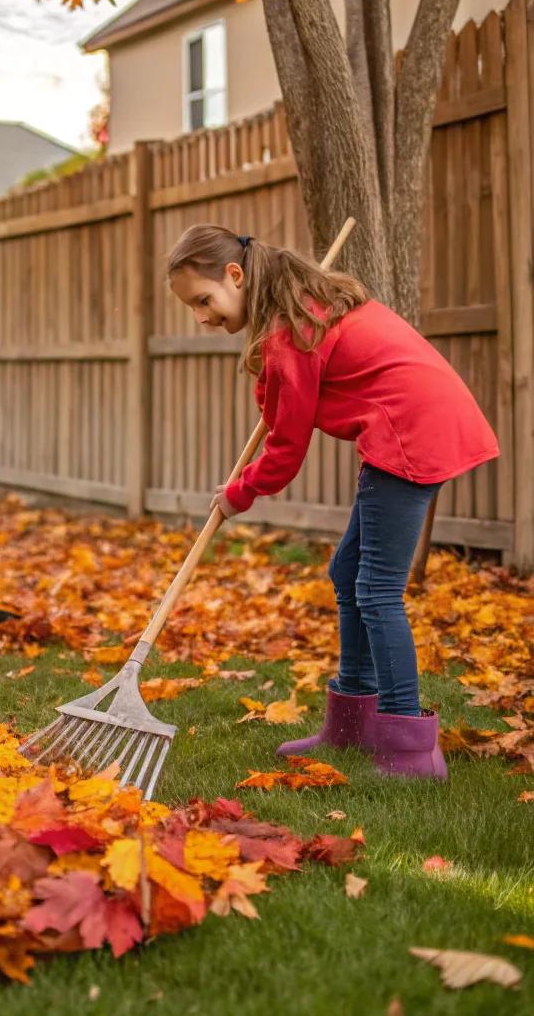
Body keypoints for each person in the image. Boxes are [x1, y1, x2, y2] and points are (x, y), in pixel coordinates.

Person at [167, 224, 498, 780]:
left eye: (204, 301)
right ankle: (351, 725)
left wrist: (237, 494)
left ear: (236, 275)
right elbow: (285, 409)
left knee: (376, 589)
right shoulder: (303, 311)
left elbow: (286, 448)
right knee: (348, 572)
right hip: (416, 425)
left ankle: (410, 748)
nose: (201, 317)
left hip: (409, 433)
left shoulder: (289, 332)